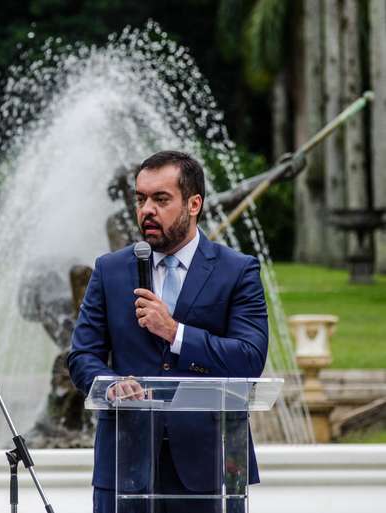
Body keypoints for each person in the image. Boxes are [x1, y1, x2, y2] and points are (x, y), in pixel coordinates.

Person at [67, 150, 269, 513]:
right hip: (124, 467)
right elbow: (82, 355)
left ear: (194, 204)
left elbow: (250, 358)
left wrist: (175, 332)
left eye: (161, 199)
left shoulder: (237, 271)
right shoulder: (110, 270)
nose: (147, 210)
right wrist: (111, 382)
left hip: (209, 467)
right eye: (141, 198)